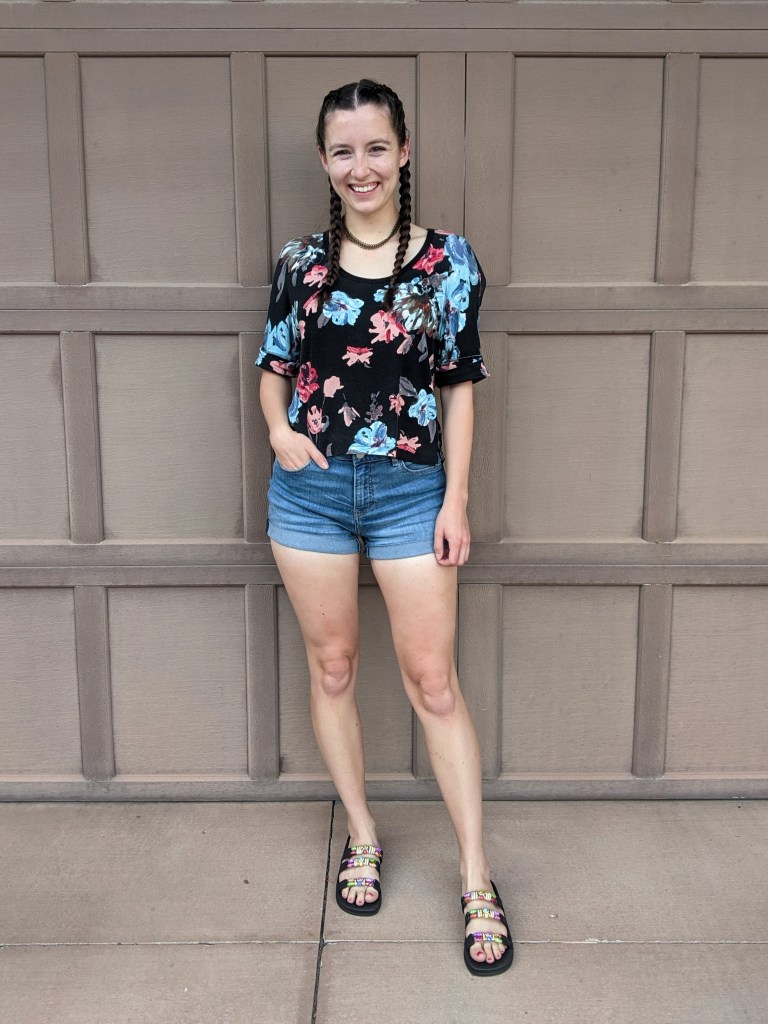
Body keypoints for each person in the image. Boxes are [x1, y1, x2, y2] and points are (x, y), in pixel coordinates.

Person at [256, 78, 512, 977]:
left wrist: (454, 500)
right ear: (324, 161)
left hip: (410, 493)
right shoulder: (300, 262)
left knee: (433, 682)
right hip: (312, 494)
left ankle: (476, 877)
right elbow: (274, 368)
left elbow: (459, 385)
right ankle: (361, 834)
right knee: (333, 667)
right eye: (342, 151)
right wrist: (279, 431)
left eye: (375, 147)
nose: (359, 166)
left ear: (403, 151)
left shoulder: (448, 262)